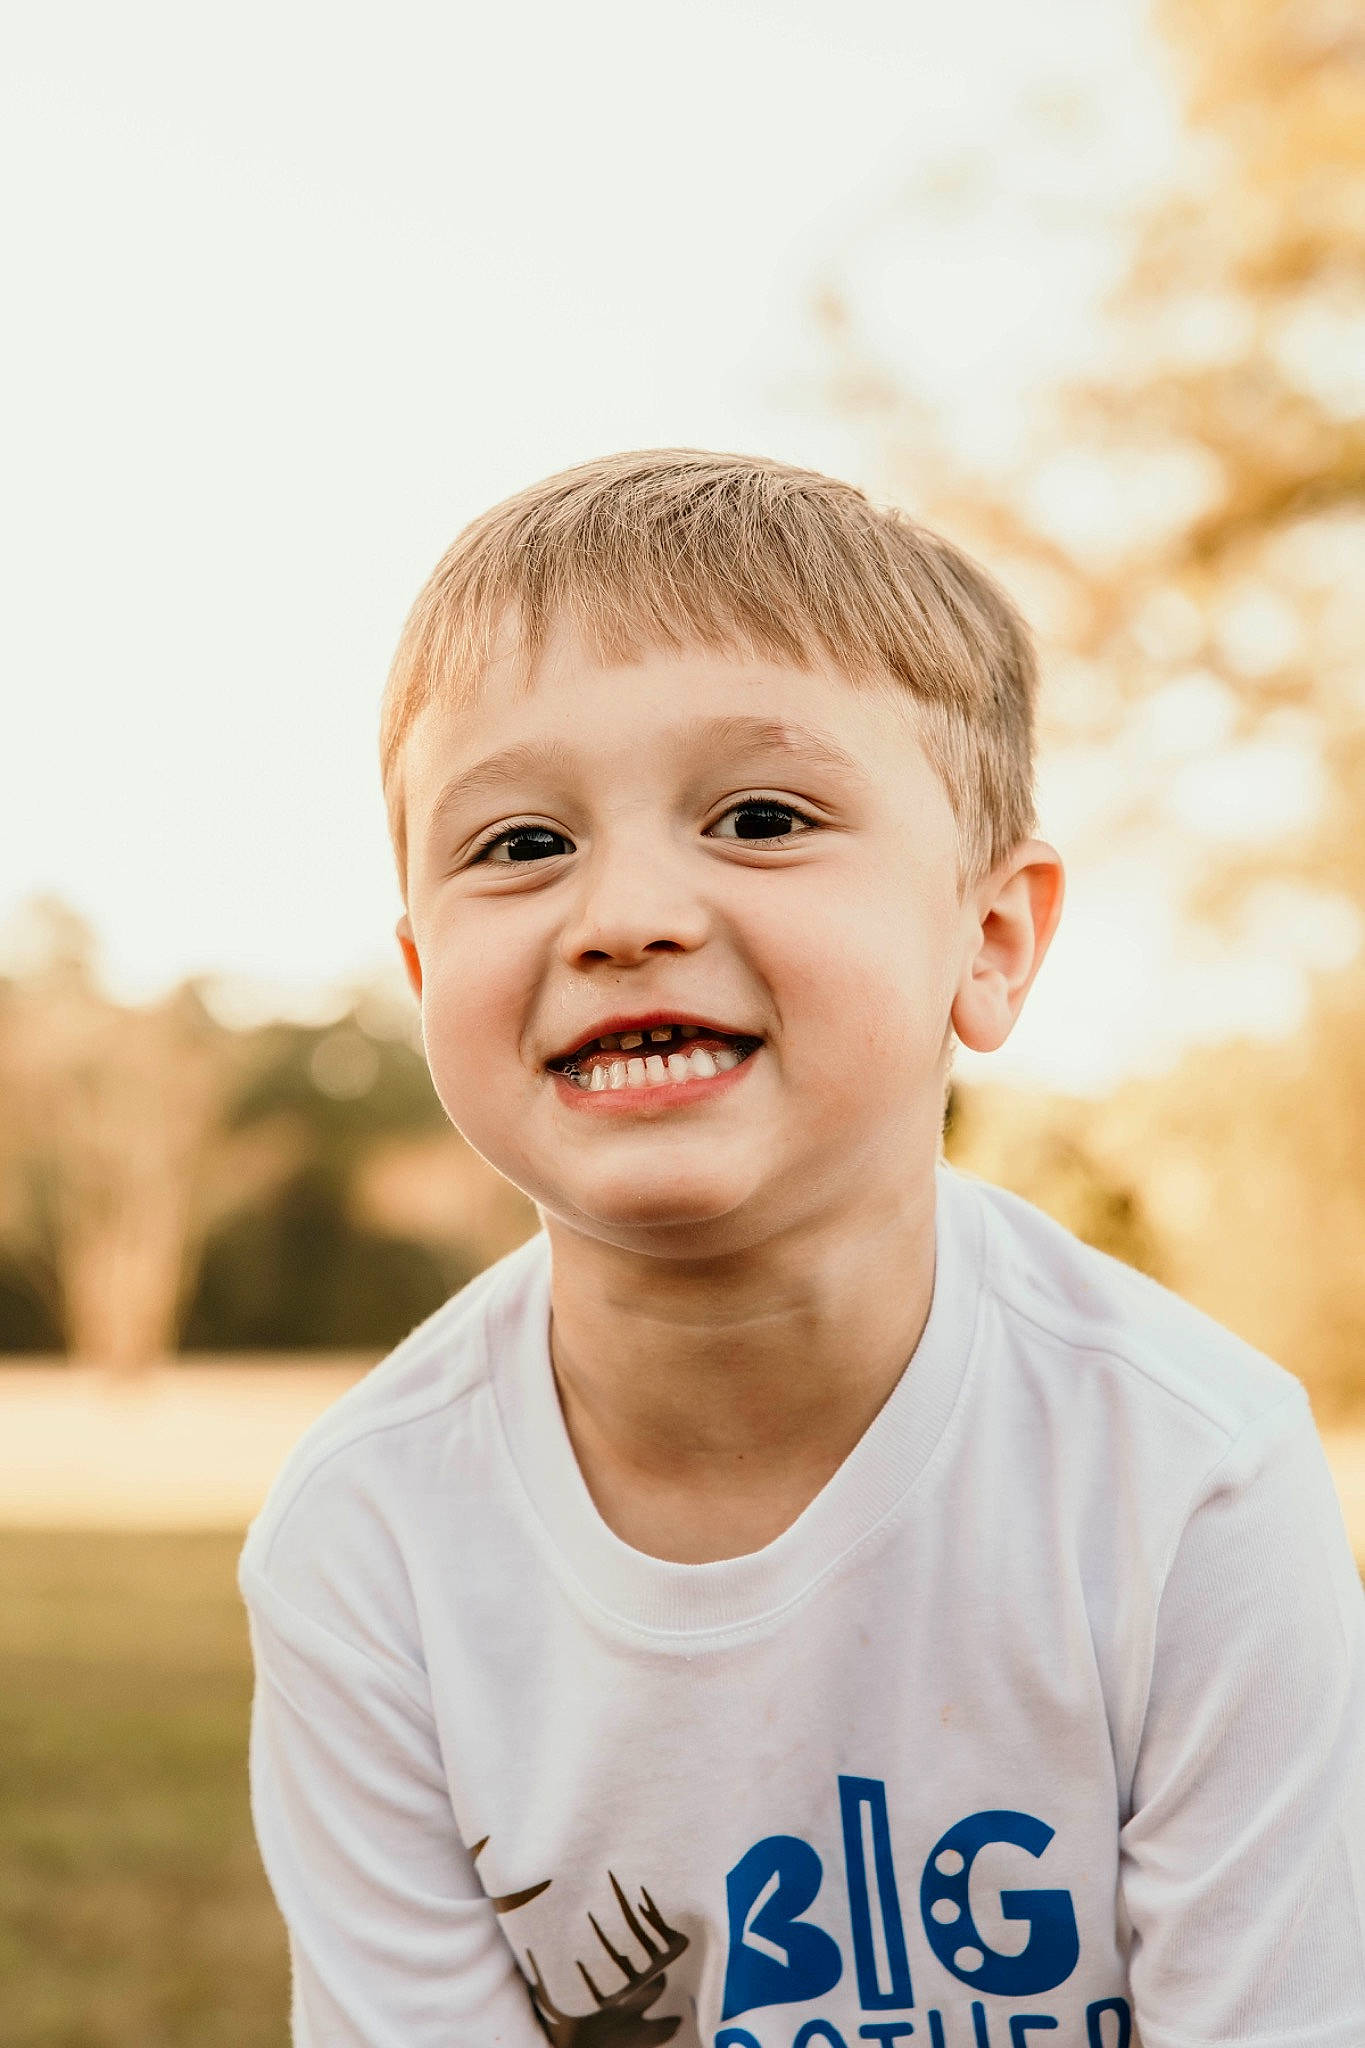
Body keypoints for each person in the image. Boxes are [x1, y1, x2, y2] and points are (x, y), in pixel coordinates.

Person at [238, 449, 1365, 2048]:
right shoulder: (367, 1545)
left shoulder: (1189, 1475)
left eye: (759, 817)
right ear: (425, 970)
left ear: (988, 938)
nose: (621, 911)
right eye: (517, 844)